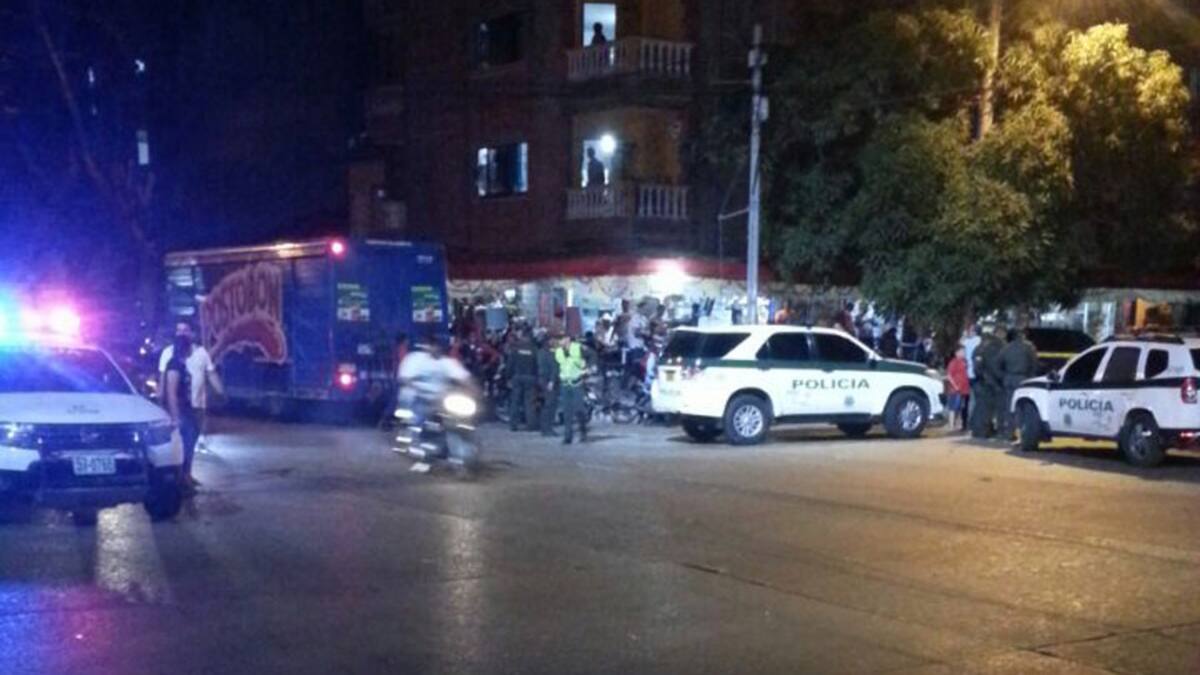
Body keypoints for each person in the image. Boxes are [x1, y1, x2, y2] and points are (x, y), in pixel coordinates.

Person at [159, 321, 223, 451]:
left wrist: (221, 392)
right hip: (179, 406)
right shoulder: (168, 354)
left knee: (192, 440)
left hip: (197, 405)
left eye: (185, 330)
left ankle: (192, 456)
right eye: (179, 330)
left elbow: (211, 373)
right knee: (182, 443)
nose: (181, 334)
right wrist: (162, 400)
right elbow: (164, 381)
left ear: (192, 333)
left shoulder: (201, 352)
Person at [397, 334, 474, 429]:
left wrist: (473, 392)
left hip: (440, 400)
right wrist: (420, 390)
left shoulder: (448, 362)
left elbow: (465, 379)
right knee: (408, 401)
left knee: (459, 421)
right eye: (432, 344)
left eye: (438, 345)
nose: (435, 348)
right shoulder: (414, 359)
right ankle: (407, 431)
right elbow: (404, 378)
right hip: (417, 399)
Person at [163, 333, 201, 493]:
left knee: (190, 442)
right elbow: (171, 392)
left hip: (186, 409)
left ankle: (186, 476)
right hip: (181, 411)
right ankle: (182, 480)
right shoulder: (174, 366)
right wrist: (175, 416)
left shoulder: (180, 364)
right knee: (186, 444)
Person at [997, 327, 1039, 441]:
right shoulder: (1029, 347)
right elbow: (1034, 363)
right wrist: (1031, 377)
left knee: (1009, 406)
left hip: (1009, 378)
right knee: (1022, 407)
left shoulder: (1006, 348)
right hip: (1023, 379)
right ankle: (1022, 432)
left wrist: (1004, 376)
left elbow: (998, 364)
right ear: (1022, 336)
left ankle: (1009, 433)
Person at [972, 326, 1007, 439]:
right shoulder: (993, 348)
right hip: (990, 382)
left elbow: (977, 367)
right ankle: (986, 431)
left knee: (980, 407)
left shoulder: (978, 349)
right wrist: (1000, 378)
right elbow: (993, 367)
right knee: (988, 408)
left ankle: (978, 430)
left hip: (979, 380)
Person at [555, 333, 589, 445]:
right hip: (565, 384)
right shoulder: (558, 351)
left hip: (577, 383)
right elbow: (558, 366)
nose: (559, 341)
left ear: (567, 339)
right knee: (567, 412)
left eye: (561, 339)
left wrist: (588, 369)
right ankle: (568, 436)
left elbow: (592, 355)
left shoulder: (578, 347)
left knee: (579, 409)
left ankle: (583, 431)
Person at [505, 327, 539, 431]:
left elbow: (510, 364)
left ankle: (513, 425)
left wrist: (507, 377)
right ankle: (530, 425)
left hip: (517, 377)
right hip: (530, 378)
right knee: (529, 403)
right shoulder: (534, 349)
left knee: (515, 402)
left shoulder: (516, 348)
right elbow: (537, 365)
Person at [535, 330, 559, 437]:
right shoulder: (549, 353)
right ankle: (547, 429)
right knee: (550, 404)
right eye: (553, 340)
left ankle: (546, 428)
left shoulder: (540, 352)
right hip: (548, 381)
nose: (555, 342)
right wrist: (552, 381)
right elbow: (553, 368)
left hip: (543, 380)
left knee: (547, 404)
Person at [959, 323, 981, 432]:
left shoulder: (970, 341)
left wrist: (964, 334)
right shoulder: (980, 341)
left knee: (967, 400)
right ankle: (972, 423)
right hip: (976, 374)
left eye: (971, 330)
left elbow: (960, 342)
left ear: (975, 331)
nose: (969, 332)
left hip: (967, 373)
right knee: (975, 400)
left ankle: (965, 424)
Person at [946, 347, 970, 433]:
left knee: (960, 408)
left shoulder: (964, 362)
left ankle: (958, 425)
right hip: (955, 390)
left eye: (964, 351)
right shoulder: (953, 362)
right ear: (957, 353)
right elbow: (949, 375)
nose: (964, 353)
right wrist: (955, 386)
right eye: (962, 351)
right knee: (953, 408)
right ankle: (951, 425)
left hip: (964, 390)